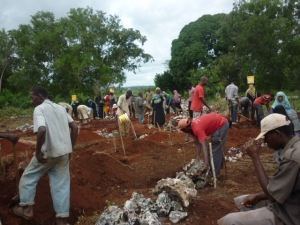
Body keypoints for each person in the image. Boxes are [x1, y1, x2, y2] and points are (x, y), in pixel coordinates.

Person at [218, 113, 300, 225]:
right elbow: (285, 187)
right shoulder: (296, 147)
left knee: (229, 221)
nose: (265, 141)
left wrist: (255, 157)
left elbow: (272, 196)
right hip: (292, 202)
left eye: (266, 136)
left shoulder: (292, 157)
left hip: (290, 215)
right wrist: (258, 196)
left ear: (277, 134)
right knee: (243, 199)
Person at [13, 86, 78, 225]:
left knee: (28, 177)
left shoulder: (39, 109)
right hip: (63, 154)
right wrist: (70, 148)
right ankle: (61, 220)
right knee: (61, 185)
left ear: (40, 96)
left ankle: (27, 210)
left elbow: (42, 129)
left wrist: (38, 152)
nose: (32, 101)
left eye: (33, 97)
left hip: (47, 153)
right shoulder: (60, 108)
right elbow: (75, 127)